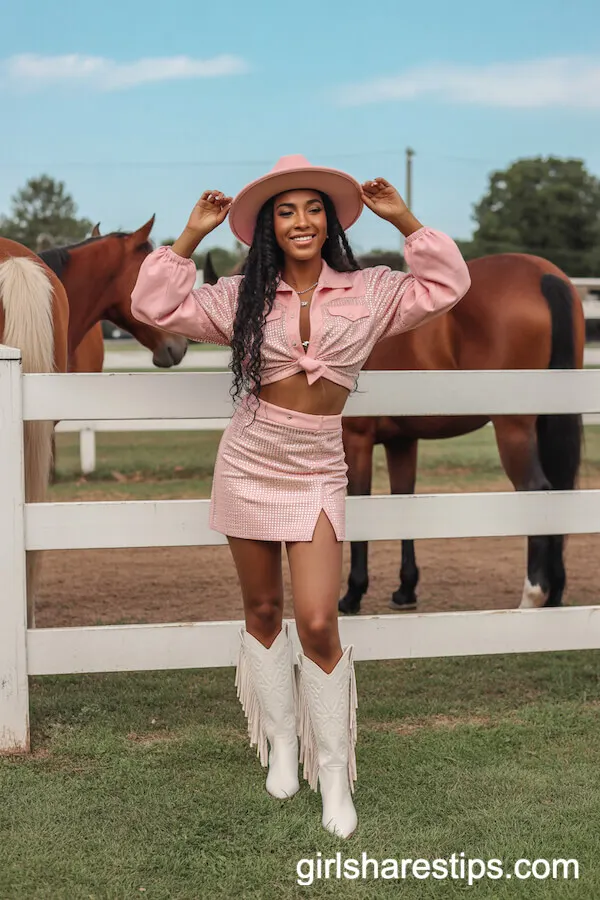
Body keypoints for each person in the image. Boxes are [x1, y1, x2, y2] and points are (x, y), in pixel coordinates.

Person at [131, 154, 471, 839]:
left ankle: (335, 775)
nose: (301, 221)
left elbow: (448, 283)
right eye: (285, 212)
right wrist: (190, 238)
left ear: (331, 219)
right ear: (267, 229)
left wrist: (401, 217)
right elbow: (153, 305)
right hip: (249, 457)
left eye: (312, 208)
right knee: (261, 610)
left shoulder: (373, 290)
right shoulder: (240, 296)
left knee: (318, 621)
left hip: (317, 464)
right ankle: (282, 746)